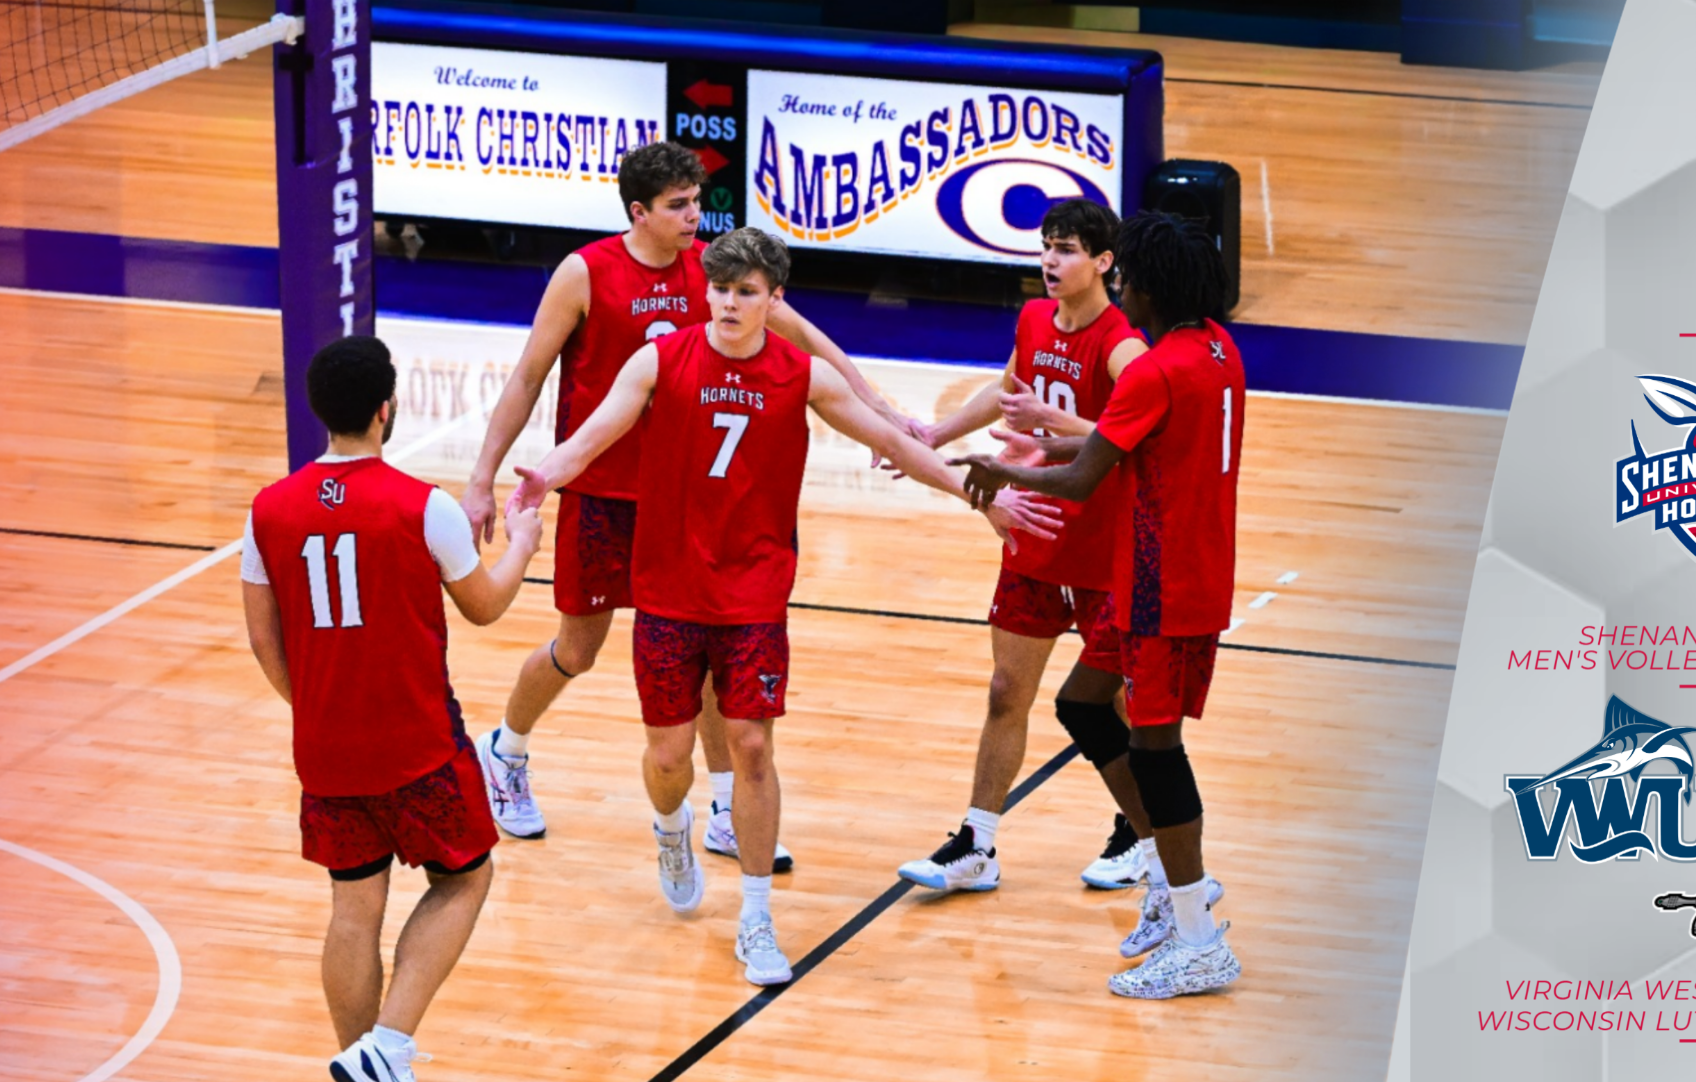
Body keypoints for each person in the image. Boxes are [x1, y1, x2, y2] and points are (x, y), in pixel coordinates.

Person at [508, 227, 1057, 986]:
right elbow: (593, 435)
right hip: (668, 587)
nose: (730, 303)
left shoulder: (801, 376)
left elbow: (897, 450)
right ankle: (673, 825)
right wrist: (546, 477)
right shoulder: (660, 360)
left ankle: (757, 916)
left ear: (774, 299)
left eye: (746, 291)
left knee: (754, 747)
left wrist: (976, 499)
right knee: (669, 760)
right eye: (721, 289)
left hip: (753, 592)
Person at [460, 141, 910, 862]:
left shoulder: (716, 271)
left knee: (710, 656)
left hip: (686, 503)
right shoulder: (585, 272)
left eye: (697, 202)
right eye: (679, 206)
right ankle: (505, 750)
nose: (694, 216)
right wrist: (484, 478)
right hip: (604, 493)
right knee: (578, 648)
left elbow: (804, 336)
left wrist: (880, 406)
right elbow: (527, 377)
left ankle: (728, 807)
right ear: (638, 211)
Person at [242, 336, 542, 1082]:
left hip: (326, 746)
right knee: (467, 875)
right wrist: (521, 544)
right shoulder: (422, 505)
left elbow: (263, 637)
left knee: (353, 908)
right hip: (416, 743)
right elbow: (486, 605)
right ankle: (389, 1052)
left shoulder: (267, 509)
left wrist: (316, 706)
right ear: (387, 407)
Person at [951, 211, 1244, 999]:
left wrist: (1006, 473)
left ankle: (1198, 935)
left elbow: (1083, 477)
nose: (1121, 290)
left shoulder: (1151, 369)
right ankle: (1165, 882)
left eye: (1126, 278)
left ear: (1146, 282)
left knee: (1157, 750)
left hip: (1160, 583)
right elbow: (1112, 447)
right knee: (1084, 706)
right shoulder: (1219, 347)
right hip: (1195, 568)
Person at [896, 199, 1162, 895]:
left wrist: (1056, 423)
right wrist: (937, 433)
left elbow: (1140, 429)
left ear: (1104, 261)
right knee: (1005, 689)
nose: (1050, 259)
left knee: (1116, 706)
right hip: (1036, 535)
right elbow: (1008, 388)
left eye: (1067, 248)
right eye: (1046, 246)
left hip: (1106, 550)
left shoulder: (1122, 343)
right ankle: (977, 842)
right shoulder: (1035, 319)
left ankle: (1140, 829)